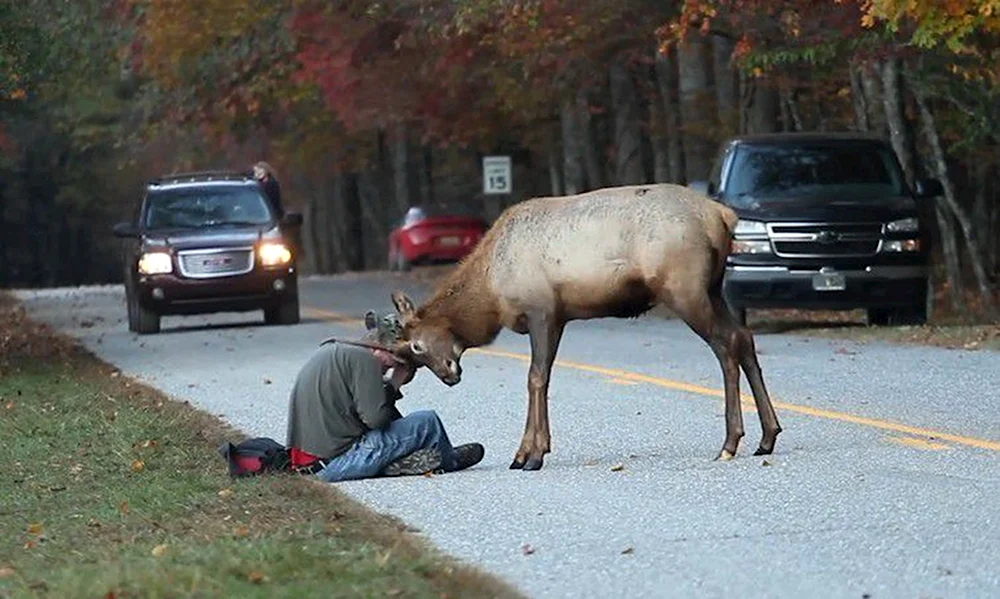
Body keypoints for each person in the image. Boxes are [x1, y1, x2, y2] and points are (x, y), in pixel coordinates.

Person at [284, 310, 485, 483]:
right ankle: (449, 460)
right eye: (395, 361)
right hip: (335, 464)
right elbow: (377, 420)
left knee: (403, 426)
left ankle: (397, 462)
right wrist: (395, 382)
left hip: (308, 465)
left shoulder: (338, 352)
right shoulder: (364, 359)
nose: (392, 367)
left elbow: (375, 416)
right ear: (382, 349)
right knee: (427, 422)